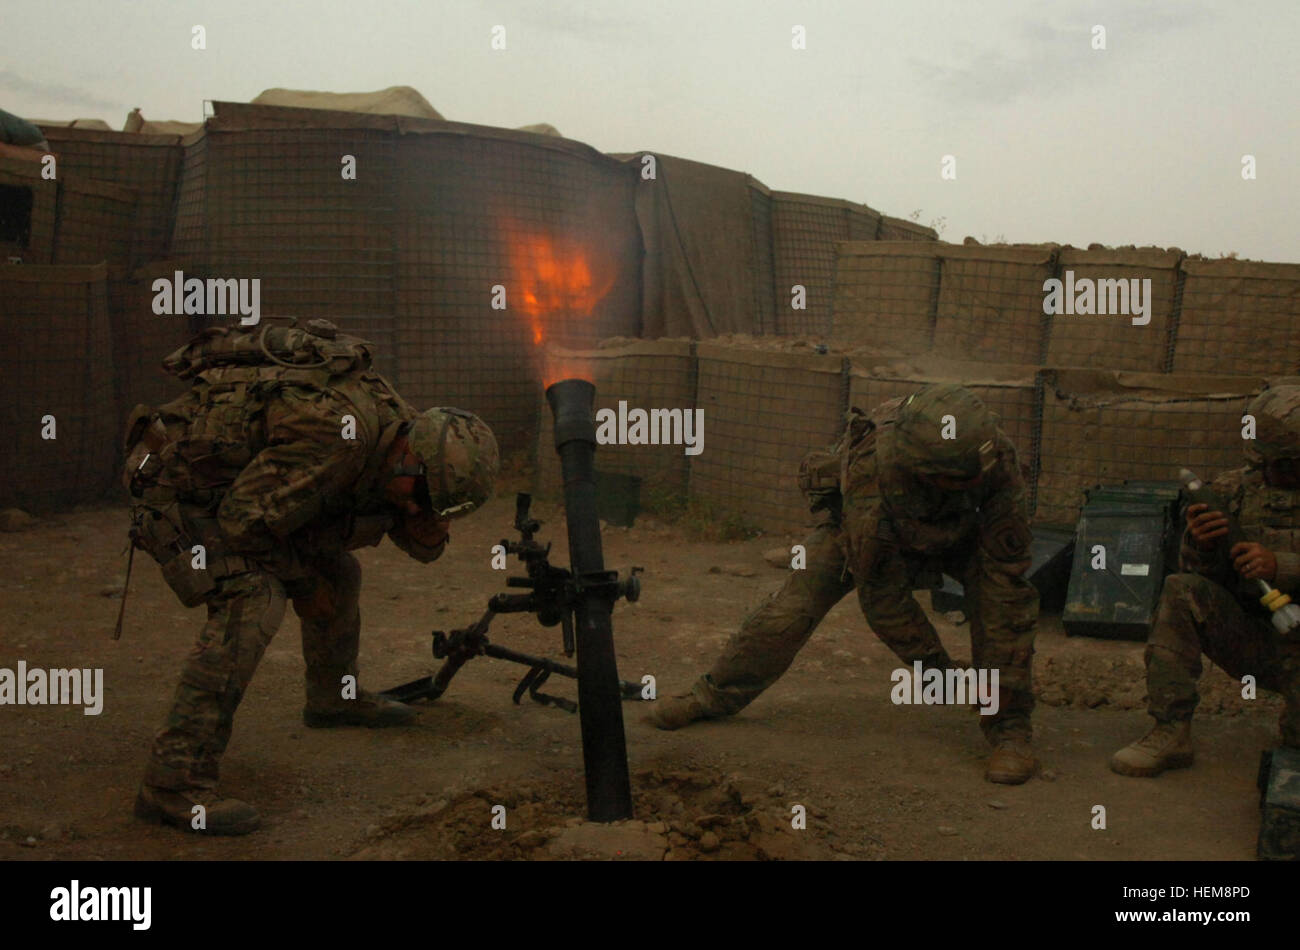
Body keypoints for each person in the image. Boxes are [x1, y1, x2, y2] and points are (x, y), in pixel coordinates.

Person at [121, 318, 498, 834]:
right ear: (409, 458)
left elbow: (416, 536)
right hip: (179, 487)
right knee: (252, 596)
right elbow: (243, 523)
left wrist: (423, 521)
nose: (420, 505)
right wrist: (303, 578)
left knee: (339, 574)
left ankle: (333, 700)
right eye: (423, 494)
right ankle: (172, 784)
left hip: (245, 490)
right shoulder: (337, 437)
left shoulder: (409, 436)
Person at [649, 384, 1040, 784]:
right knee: (790, 611)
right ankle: (712, 696)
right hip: (873, 526)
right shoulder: (872, 477)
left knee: (1002, 606)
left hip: (962, 530)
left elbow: (1005, 577)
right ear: (924, 472)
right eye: (958, 479)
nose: (973, 481)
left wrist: (995, 681)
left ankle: (1009, 728)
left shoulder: (991, 457)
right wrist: (939, 672)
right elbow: (884, 600)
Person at [1111, 386, 1300, 777]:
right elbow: (1201, 577)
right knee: (1182, 591)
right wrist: (1203, 545)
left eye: (1285, 465)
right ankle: (1170, 730)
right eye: (1265, 463)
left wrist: (1280, 565)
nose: (1272, 475)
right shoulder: (1234, 491)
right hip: (1260, 639)